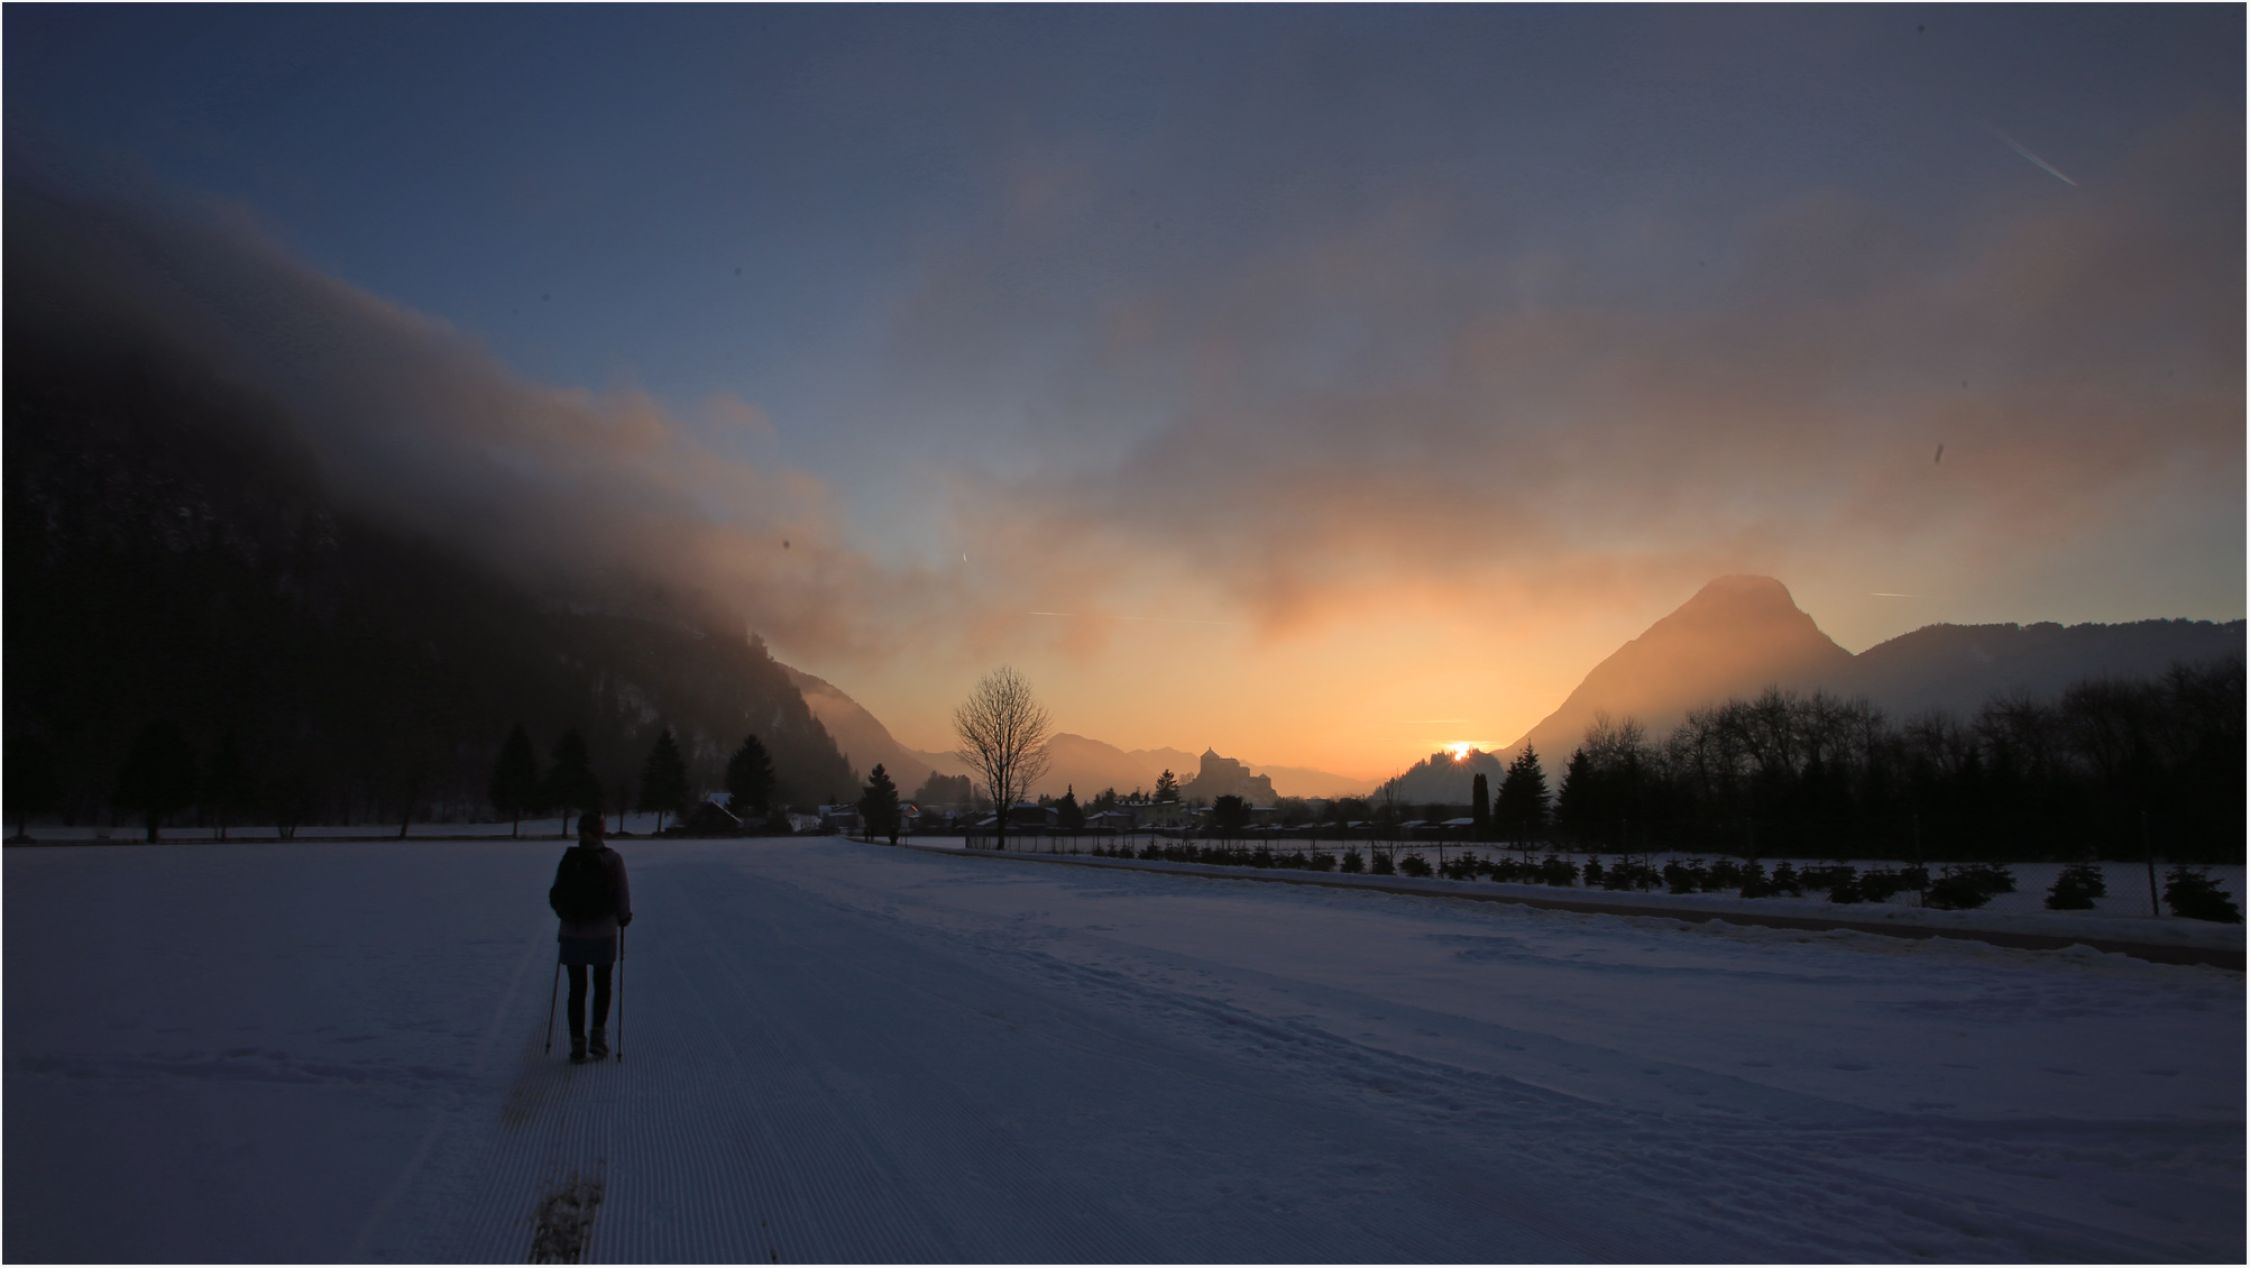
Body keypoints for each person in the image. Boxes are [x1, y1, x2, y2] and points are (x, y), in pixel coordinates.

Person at [550, 812, 632, 1063]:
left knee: (577, 988)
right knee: (602, 984)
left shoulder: (569, 858)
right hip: (603, 932)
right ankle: (597, 1038)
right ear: (601, 831)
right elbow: (622, 896)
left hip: (573, 931)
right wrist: (624, 917)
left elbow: (556, 894)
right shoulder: (612, 859)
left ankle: (577, 1042)